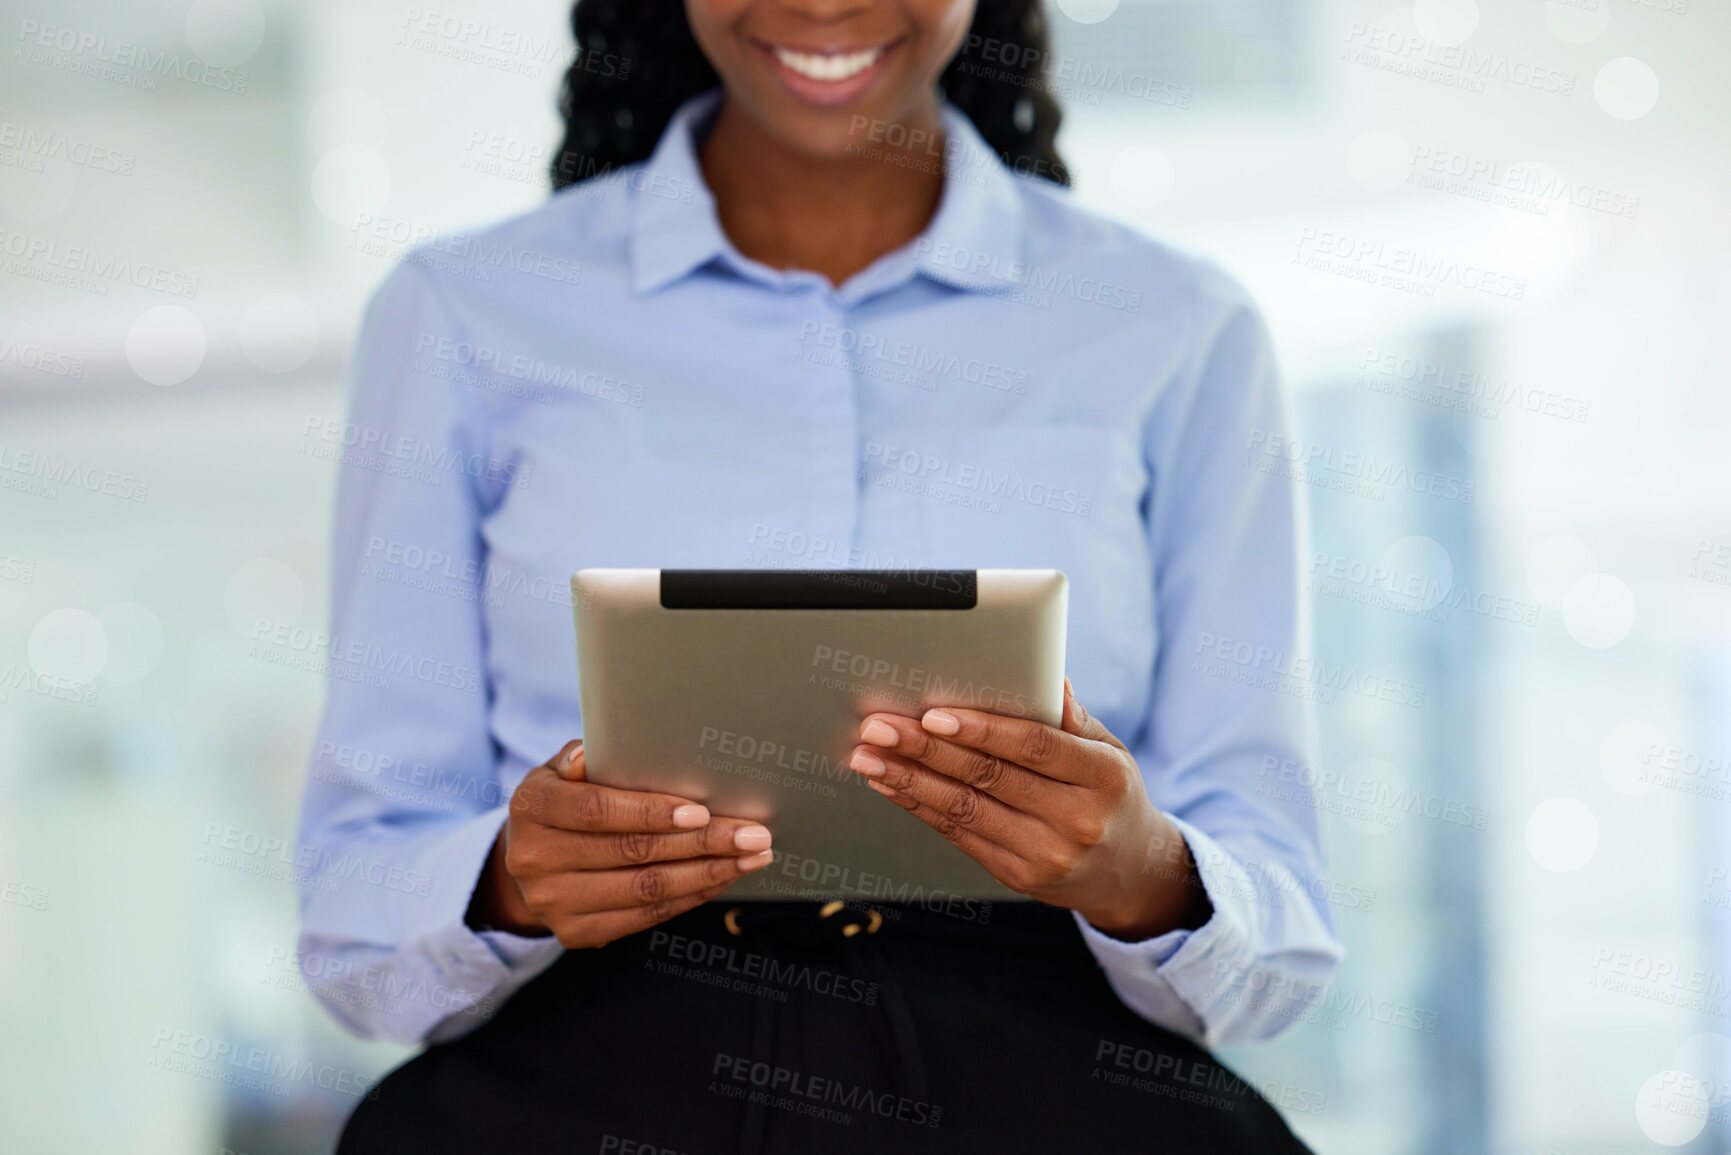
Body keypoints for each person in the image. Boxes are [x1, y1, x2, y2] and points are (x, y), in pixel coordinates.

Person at [296, 0, 1343, 1150]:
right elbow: (359, 937)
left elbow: (1277, 947)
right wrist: (505, 883)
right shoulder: (462, 315)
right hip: (588, 1070)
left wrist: (1141, 869)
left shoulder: (1178, 327)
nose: (823, 4)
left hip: (1048, 1076)